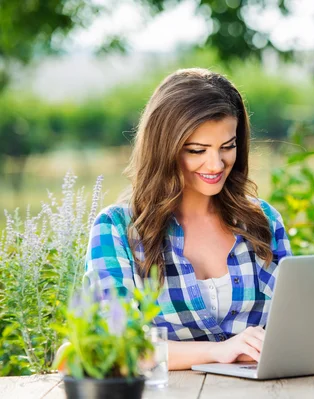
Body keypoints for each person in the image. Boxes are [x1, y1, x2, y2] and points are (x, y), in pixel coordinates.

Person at [83, 68, 293, 370]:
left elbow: (293, 324)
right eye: (197, 150)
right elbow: (115, 345)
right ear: (163, 149)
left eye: (228, 146)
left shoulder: (263, 220)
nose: (216, 163)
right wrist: (220, 351)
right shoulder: (117, 229)